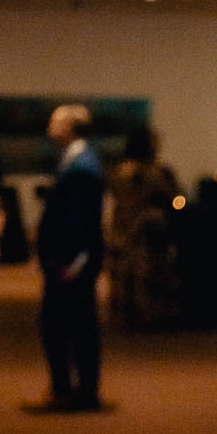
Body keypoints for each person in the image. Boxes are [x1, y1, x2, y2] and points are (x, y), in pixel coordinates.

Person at [26, 103, 107, 413]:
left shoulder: (81, 165)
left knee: (63, 324)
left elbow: (78, 220)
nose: (50, 127)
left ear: (70, 127)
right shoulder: (80, 161)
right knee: (74, 323)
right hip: (72, 258)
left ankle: (72, 390)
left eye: (55, 122)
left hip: (70, 260)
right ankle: (79, 389)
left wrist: (70, 260)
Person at [108, 123, 181, 330]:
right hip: (148, 230)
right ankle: (150, 314)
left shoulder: (120, 170)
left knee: (124, 272)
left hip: (123, 228)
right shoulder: (157, 171)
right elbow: (174, 197)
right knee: (148, 272)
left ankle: (125, 314)